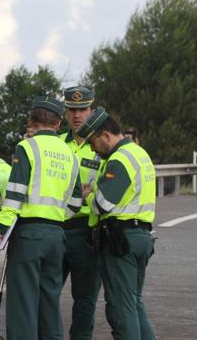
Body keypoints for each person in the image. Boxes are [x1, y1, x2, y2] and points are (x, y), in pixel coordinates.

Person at [0, 96, 82, 340]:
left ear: (31, 120)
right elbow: (76, 202)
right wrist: (57, 216)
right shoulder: (70, 155)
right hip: (57, 236)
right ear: (59, 123)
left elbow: (14, 195)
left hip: (28, 235)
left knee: (23, 306)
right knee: (49, 304)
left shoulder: (27, 147)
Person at [77, 108, 156, 340]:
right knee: (134, 304)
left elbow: (102, 204)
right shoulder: (139, 153)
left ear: (105, 135)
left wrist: (89, 195)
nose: (92, 148)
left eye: (93, 141)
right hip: (141, 236)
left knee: (121, 310)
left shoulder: (119, 159)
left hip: (121, 239)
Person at [60, 86, 103, 340]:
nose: (77, 116)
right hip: (56, 228)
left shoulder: (101, 146)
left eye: (82, 110)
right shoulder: (55, 144)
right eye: (72, 110)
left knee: (85, 299)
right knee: (46, 294)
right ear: (65, 112)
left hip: (86, 231)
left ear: (92, 111)